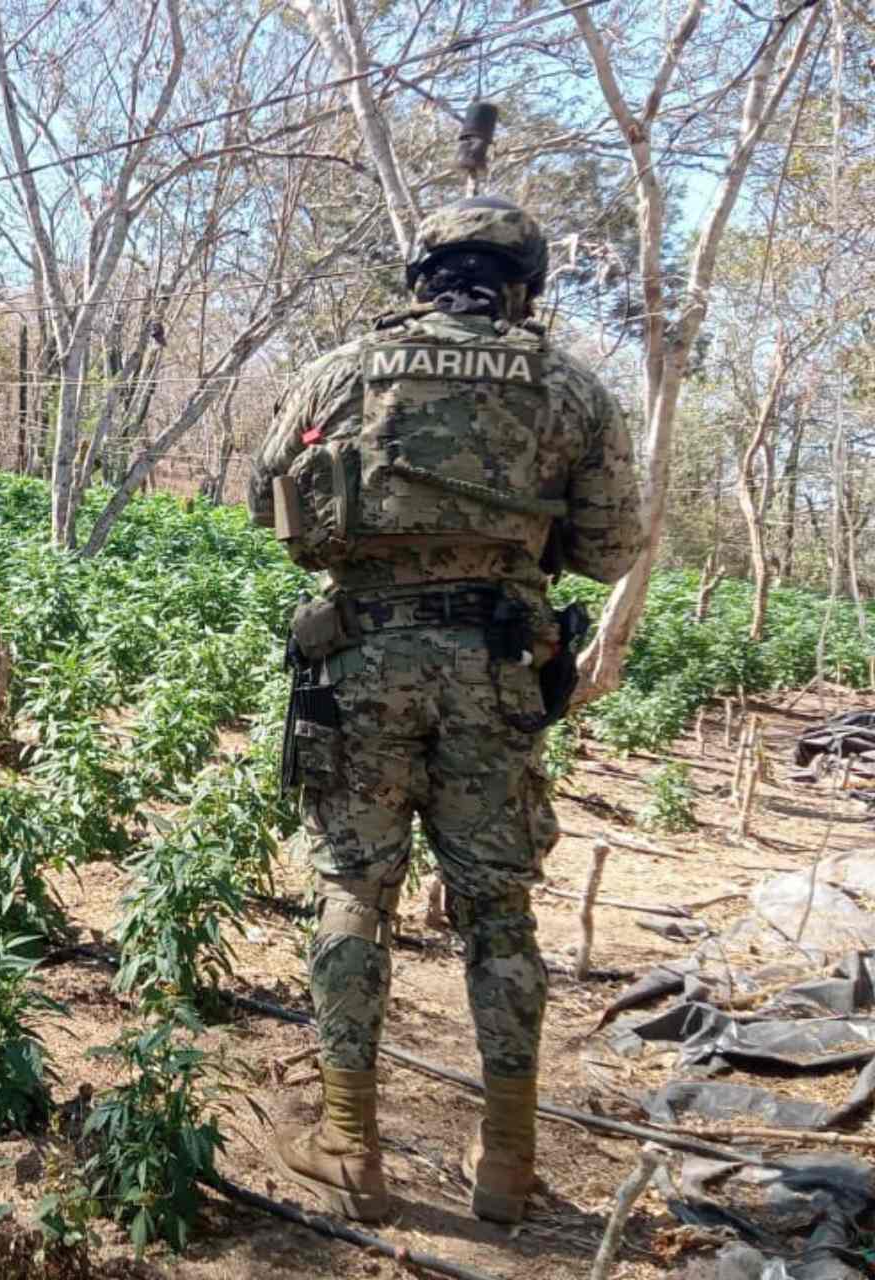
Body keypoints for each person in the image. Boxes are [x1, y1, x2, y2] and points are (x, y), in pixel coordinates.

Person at [249, 196, 641, 1226]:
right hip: (497, 670)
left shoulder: (343, 373)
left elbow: (266, 500)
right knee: (499, 911)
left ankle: (348, 1139)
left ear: (422, 277)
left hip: (363, 667)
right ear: (524, 286)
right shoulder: (572, 388)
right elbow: (609, 547)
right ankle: (507, 1160)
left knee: (352, 891)